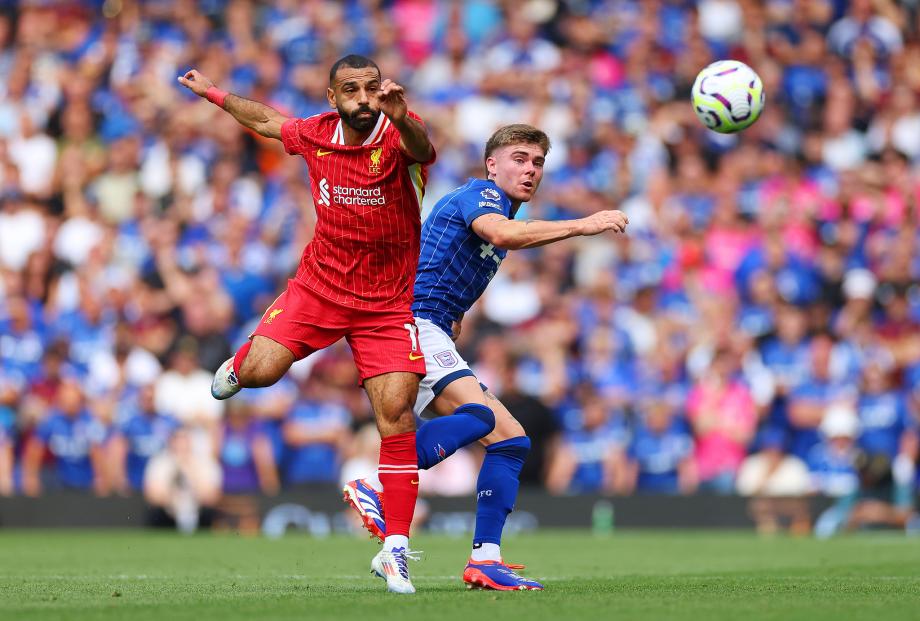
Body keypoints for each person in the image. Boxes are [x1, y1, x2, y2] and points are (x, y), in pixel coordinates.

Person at [178, 53, 435, 594]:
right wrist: (215, 93)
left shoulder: (399, 133)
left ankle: (395, 549)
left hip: (386, 304)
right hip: (319, 288)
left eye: (370, 88)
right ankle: (241, 364)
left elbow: (422, 148)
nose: (363, 99)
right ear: (332, 97)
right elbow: (267, 121)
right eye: (351, 90)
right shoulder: (316, 134)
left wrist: (401, 114)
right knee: (261, 373)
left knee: (397, 417)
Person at [343, 124, 627, 590]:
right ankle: (375, 485)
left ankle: (485, 559)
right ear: (491, 165)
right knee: (480, 416)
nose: (530, 170)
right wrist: (583, 224)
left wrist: (454, 316)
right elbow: (502, 234)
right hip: (411, 325)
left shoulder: (500, 209)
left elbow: (445, 259)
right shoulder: (482, 197)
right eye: (520, 159)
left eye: (538, 162)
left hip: (428, 326)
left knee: (511, 441)